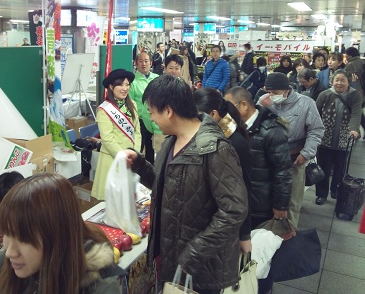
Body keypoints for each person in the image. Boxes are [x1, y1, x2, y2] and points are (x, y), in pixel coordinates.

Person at [125, 75, 248, 294]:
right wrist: (141, 166)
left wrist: (196, 251)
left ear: (169, 111)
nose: (151, 118)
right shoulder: (171, 141)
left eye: (152, 112)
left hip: (201, 267)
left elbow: (234, 210)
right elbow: (168, 187)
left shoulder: (215, 149)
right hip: (172, 255)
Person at [0, 173, 122, 294]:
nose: (10, 252)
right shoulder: (5, 264)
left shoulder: (101, 288)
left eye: (23, 239)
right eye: (6, 234)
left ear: (56, 236)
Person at [225, 86, 292, 294]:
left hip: (262, 204)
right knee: (241, 251)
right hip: (239, 202)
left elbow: (283, 172)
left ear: (243, 105)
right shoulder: (231, 125)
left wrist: (280, 206)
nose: (226, 113)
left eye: (229, 107)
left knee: (262, 255)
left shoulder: (271, 130)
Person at [258, 73, 324, 228]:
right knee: (270, 195)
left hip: (294, 157)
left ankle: (290, 231)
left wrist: (306, 153)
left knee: (293, 199)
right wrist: (260, 107)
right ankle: (269, 230)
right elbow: (256, 127)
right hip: (270, 158)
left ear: (286, 90)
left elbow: (316, 130)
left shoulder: (306, 103)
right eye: (269, 92)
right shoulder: (266, 102)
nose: (271, 96)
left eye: (275, 92)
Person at [193, 88, 253, 254]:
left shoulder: (235, 143)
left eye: (197, 117)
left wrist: (244, 235)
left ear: (213, 114)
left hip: (227, 222)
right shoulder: (210, 133)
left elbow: (245, 190)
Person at [91, 69, 141, 200]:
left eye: (127, 84)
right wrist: (123, 157)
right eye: (121, 85)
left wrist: (135, 153)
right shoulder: (104, 110)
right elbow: (107, 139)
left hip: (131, 159)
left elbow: (137, 132)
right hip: (112, 159)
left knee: (128, 201)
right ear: (112, 87)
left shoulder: (133, 105)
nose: (125, 88)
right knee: (112, 202)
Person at [314, 69, 362, 205]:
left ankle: (336, 190)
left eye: (343, 80)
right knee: (323, 167)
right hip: (325, 137)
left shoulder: (355, 96)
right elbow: (316, 114)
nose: (339, 83)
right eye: (337, 80)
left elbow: (356, 114)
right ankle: (321, 194)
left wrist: (353, 129)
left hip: (344, 138)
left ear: (348, 82)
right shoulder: (324, 94)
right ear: (332, 81)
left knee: (340, 167)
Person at [129, 52, 159, 164]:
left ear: (151, 63)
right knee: (138, 148)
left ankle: (150, 174)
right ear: (136, 63)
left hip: (155, 120)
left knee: (152, 148)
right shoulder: (133, 82)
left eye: (146, 61)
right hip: (140, 121)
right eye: (140, 61)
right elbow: (130, 103)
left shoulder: (157, 79)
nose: (144, 64)